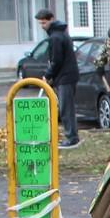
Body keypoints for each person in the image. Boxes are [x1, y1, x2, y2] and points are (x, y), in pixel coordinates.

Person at [35, 9, 80, 149]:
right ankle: (72, 136)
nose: (42, 26)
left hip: (65, 77)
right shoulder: (61, 33)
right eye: (40, 23)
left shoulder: (56, 37)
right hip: (66, 75)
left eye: (44, 23)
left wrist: (48, 74)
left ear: (51, 19)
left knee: (66, 108)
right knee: (67, 107)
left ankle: (72, 138)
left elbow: (57, 60)